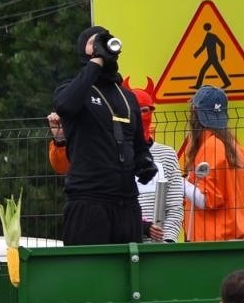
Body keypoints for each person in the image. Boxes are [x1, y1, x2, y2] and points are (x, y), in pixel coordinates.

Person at [52, 25, 157, 245]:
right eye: (94, 41)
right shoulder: (72, 89)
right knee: (88, 273)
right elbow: (66, 106)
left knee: (129, 273)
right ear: (84, 51)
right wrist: (96, 62)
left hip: (126, 202)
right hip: (88, 201)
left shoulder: (128, 97)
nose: (101, 43)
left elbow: (138, 144)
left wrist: (144, 161)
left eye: (104, 40)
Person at [48, 85, 189, 242]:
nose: (141, 116)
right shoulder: (104, 153)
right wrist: (60, 141)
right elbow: (65, 167)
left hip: (158, 248)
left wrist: (168, 241)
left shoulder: (167, 155)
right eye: (137, 111)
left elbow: (175, 205)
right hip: (121, 238)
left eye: (145, 111)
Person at [181, 86, 244, 242]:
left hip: (210, 242)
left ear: (195, 112)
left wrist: (179, 183)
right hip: (231, 237)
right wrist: (232, 195)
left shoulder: (211, 146)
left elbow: (209, 200)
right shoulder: (230, 145)